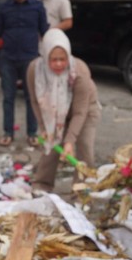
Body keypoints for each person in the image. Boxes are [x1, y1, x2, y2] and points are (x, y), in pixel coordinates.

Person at [27, 29, 99, 192]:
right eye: (54, 59)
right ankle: (42, 185)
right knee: (51, 144)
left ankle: (82, 192)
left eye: (62, 59)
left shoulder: (79, 72)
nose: (59, 64)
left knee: (84, 150)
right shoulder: (35, 70)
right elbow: (35, 101)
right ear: (45, 57)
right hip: (53, 111)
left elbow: (80, 112)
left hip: (84, 111)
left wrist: (69, 141)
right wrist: (44, 128)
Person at [0, 0, 48, 147]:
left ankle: (32, 133)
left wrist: (51, 57)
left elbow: (45, 33)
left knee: (31, 98)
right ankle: (8, 132)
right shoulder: (5, 8)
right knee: (8, 97)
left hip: (30, 60)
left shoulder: (37, 7)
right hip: (8, 59)